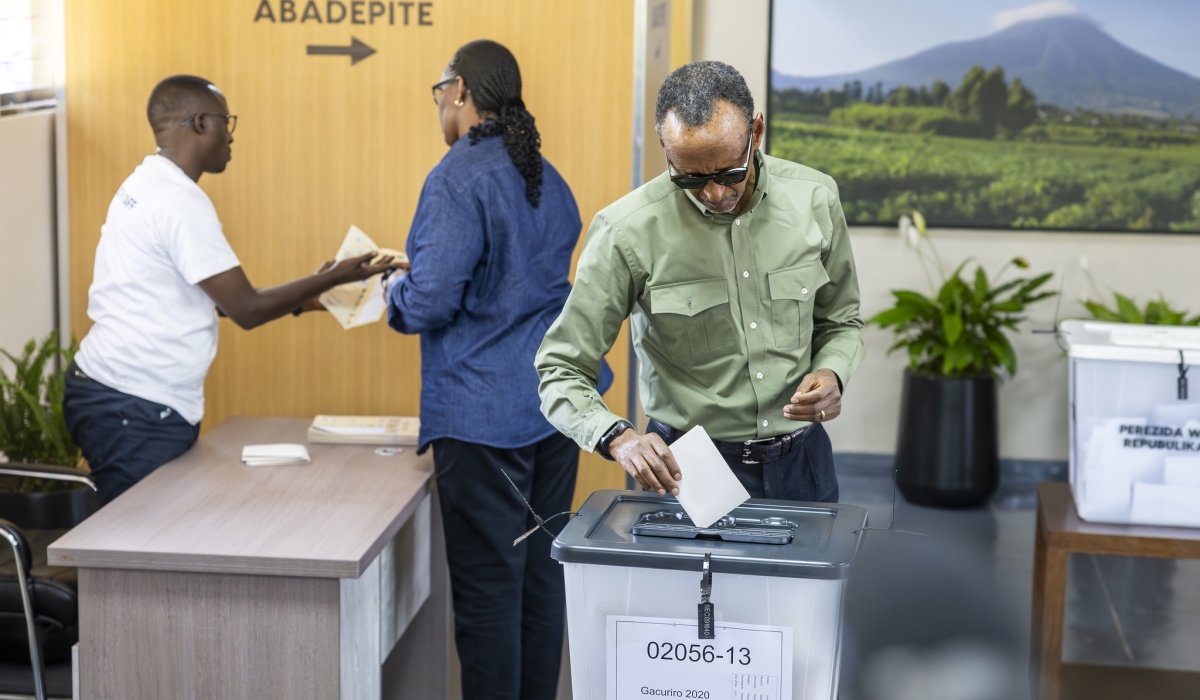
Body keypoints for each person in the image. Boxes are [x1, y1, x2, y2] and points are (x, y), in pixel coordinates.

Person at [535, 61, 865, 502]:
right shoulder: (625, 231)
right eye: (689, 176)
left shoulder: (816, 199)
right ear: (664, 147)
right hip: (690, 471)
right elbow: (561, 367)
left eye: (729, 172)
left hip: (804, 464)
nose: (713, 193)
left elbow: (841, 322)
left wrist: (833, 372)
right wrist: (617, 436)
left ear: (757, 132)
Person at [64, 75, 401, 504]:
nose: (232, 137)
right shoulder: (179, 202)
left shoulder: (144, 183)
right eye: (228, 122)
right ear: (201, 123)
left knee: (151, 538)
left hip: (109, 390)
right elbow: (246, 309)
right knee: (143, 548)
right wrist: (335, 276)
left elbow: (200, 296)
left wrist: (306, 300)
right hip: (134, 405)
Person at [383, 40, 586, 700]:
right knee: (537, 583)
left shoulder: (456, 177)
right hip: (551, 415)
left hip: (482, 422)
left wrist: (393, 291)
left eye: (441, 90)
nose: (440, 103)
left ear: (461, 90)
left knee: (488, 599)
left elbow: (434, 299)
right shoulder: (545, 177)